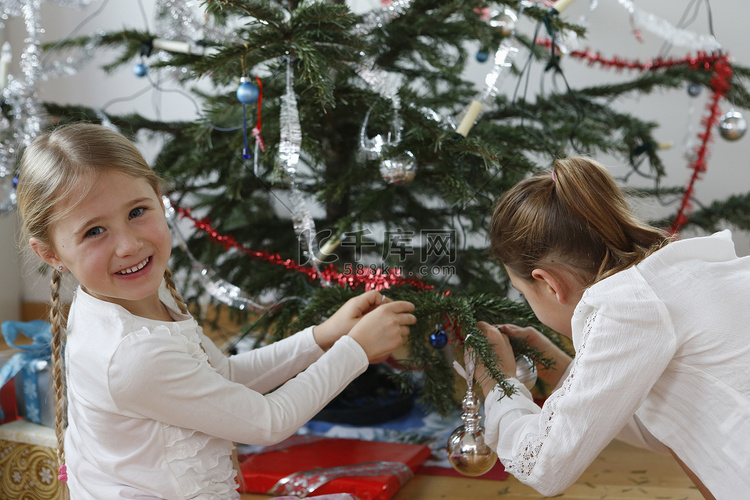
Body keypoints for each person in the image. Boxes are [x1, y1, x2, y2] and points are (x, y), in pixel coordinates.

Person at [16, 123, 417, 499]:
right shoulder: (132, 354)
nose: (129, 245)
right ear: (51, 254)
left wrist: (322, 337)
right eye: (94, 232)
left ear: (159, 197)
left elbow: (221, 376)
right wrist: (356, 350)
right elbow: (267, 421)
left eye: (137, 212)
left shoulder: (135, 297)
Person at [476, 156, 750, 500]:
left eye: (523, 293)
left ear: (548, 284)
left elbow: (545, 467)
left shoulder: (626, 307)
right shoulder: (679, 274)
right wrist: (561, 364)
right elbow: (663, 425)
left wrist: (498, 385)